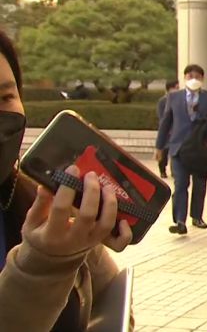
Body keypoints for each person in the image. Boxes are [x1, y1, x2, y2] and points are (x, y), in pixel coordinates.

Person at [0, 29, 133, 330]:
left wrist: (80, 243)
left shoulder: (43, 203)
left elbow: (110, 299)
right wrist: (44, 264)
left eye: (6, 97)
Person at [155, 64, 207, 235]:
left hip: (201, 149)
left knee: (199, 184)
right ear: (184, 78)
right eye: (190, 76)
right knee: (180, 184)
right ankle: (180, 220)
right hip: (178, 148)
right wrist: (159, 147)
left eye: (197, 76)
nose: (193, 79)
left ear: (202, 79)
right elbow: (165, 123)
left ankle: (197, 216)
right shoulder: (174, 98)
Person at [156, 80, 179, 178]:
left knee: (175, 153)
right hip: (166, 131)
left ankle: (175, 171)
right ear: (170, 88)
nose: (178, 90)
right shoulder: (163, 101)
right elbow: (162, 117)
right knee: (164, 152)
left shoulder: (179, 100)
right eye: (176, 87)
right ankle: (162, 170)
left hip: (176, 130)